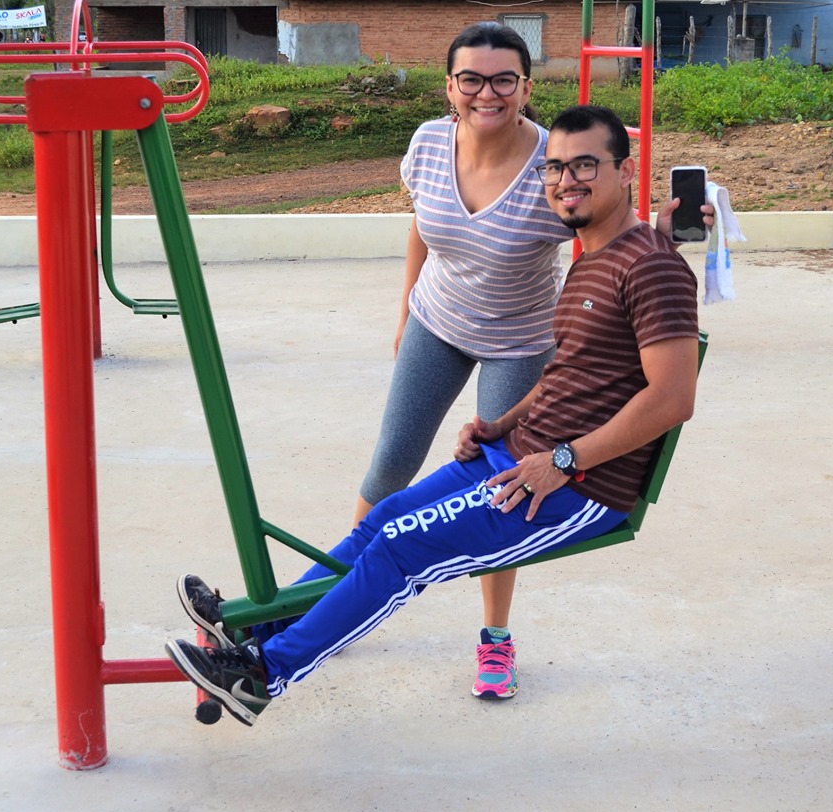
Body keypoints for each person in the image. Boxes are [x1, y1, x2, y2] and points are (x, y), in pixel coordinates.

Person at [164, 104, 701, 728]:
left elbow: (672, 397)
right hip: (519, 456)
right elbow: (569, 376)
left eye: (584, 165)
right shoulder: (592, 255)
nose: (566, 180)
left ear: (625, 170)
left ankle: (263, 676)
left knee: (402, 546)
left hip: (576, 488)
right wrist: (503, 423)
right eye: (554, 168)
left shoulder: (651, 266)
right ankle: (259, 630)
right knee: (384, 518)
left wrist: (562, 461)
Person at [350, 21, 704, 699]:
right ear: (449, 86)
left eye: (504, 78)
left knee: (503, 485)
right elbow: (419, 227)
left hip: (518, 338)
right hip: (437, 320)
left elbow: (602, 226)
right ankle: (342, 591)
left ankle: (494, 639)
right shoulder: (427, 144)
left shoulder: (555, 163)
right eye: (471, 79)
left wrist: (660, 240)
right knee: (391, 460)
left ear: (525, 87)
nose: (488, 92)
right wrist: (403, 313)